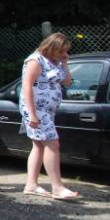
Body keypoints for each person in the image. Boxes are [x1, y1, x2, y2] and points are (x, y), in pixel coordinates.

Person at [19, 33, 79, 200]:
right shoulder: (35, 60)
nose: (63, 54)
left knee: (39, 145)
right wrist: (31, 114)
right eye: (61, 51)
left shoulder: (56, 62)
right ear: (52, 47)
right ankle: (57, 187)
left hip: (48, 110)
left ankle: (31, 184)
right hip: (36, 109)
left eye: (65, 51)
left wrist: (65, 63)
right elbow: (27, 87)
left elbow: (67, 82)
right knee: (53, 143)